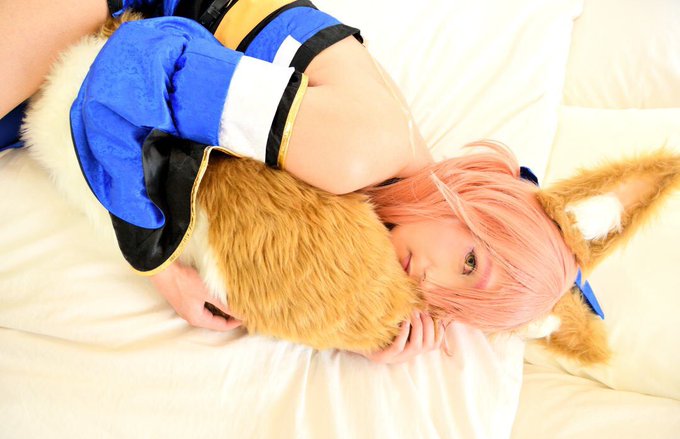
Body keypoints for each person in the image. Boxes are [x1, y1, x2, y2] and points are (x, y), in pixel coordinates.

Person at [1, 0, 578, 364]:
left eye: (455, 304)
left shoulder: (385, 170)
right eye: (470, 262)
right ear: (476, 204)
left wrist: (360, 330)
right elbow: (134, 69)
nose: (431, 283)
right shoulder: (359, 150)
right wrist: (160, 264)